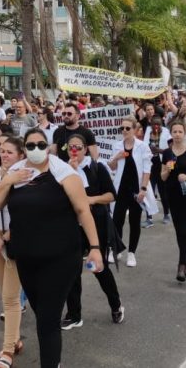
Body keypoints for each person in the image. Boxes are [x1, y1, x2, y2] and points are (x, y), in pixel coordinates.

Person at [0, 128, 103, 368]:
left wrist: (95, 246)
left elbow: (83, 211)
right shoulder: (17, 173)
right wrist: (8, 179)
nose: (36, 150)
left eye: (41, 145)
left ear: (48, 147)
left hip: (60, 259)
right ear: (25, 149)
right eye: (30, 146)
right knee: (43, 316)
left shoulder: (64, 173)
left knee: (48, 320)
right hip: (27, 260)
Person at [61, 134, 124, 331]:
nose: (74, 151)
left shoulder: (97, 168)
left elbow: (111, 195)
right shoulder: (62, 170)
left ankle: (115, 304)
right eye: (70, 147)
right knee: (71, 271)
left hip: (96, 225)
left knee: (98, 268)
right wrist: (69, 172)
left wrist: (91, 199)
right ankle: (74, 314)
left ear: (85, 149)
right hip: (72, 226)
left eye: (78, 147)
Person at [0, 136, 26, 368]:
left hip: (14, 237)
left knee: (11, 299)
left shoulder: (25, 179)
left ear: (21, 155)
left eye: (10, 152)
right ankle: (16, 340)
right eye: (2, 151)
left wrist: (3, 242)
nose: (4, 155)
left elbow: (23, 217)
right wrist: (5, 180)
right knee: (4, 294)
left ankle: (8, 351)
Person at [107, 115, 157, 268]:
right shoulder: (117, 145)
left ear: (135, 129)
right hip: (120, 189)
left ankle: (132, 253)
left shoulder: (142, 146)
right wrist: (117, 157)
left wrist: (143, 189)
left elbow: (147, 170)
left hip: (136, 189)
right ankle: (116, 249)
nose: (124, 131)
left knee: (134, 221)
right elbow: (113, 167)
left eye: (127, 128)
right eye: (122, 128)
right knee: (117, 220)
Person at [161, 121, 186, 282]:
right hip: (173, 194)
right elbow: (162, 177)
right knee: (179, 231)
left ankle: (181, 265)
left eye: (180, 132)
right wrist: (168, 169)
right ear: (171, 134)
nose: (177, 134)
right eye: (174, 132)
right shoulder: (167, 153)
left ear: (185, 134)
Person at [144, 116, 171, 226]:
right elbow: (144, 147)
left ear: (161, 124)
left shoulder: (166, 132)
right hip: (150, 166)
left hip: (161, 166)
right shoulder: (148, 132)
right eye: (154, 124)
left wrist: (158, 150)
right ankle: (149, 218)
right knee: (149, 192)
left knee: (163, 192)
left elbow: (170, 150)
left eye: (158, 124)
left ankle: (166, 214)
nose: (156, 127)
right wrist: (149, 149)